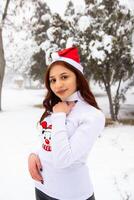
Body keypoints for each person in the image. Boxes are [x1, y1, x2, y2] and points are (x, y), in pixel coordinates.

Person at [28, 46, 105, 200]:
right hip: (42, 188)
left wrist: (59, 116)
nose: (57, 85)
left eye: (64, 77)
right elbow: (48, 140)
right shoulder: (56, 107)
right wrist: (34, 154)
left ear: (77, 77)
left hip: (71, 194)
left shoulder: (92, 116)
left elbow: (63, 160)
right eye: (53, 80)